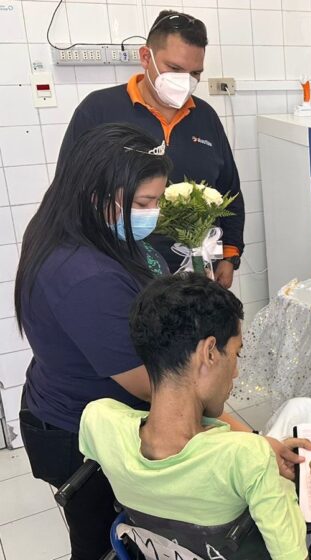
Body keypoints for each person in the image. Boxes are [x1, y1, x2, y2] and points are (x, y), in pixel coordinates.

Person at [14, 124, 292, 560]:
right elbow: (162, 385)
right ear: (97, 197)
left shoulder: (97, 233)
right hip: (73, 430)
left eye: (159, 199)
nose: (155, 212)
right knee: (101, 543)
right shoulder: (85, 276)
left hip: (94, 404)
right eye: (145, 203)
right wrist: (252, 442)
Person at [79, 273, 311, 560]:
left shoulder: (98, 421)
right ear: (209, 352)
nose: (235, 372)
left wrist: (253, 442)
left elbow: (174, 461)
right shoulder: (249, 460)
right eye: (236, 354)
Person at [58, 9, 244, 287]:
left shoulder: (205, 117)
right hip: (122, 269)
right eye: (176, 69)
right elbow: (69, 192)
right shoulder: (99, 110)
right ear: (146, 57)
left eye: (196, 73)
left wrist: (229, 255)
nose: (186, 81)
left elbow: (229, 189)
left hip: (195, 271)